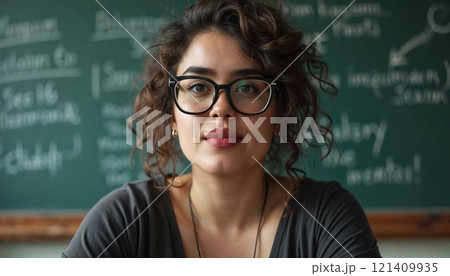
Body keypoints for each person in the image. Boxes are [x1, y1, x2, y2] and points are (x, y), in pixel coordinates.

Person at [62, 0, 381, 258]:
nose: (220, 109)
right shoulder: (122, 220)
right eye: (199, 87)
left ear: (278, 111)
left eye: (247, 88)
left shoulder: (328, 219)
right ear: (171, 117)